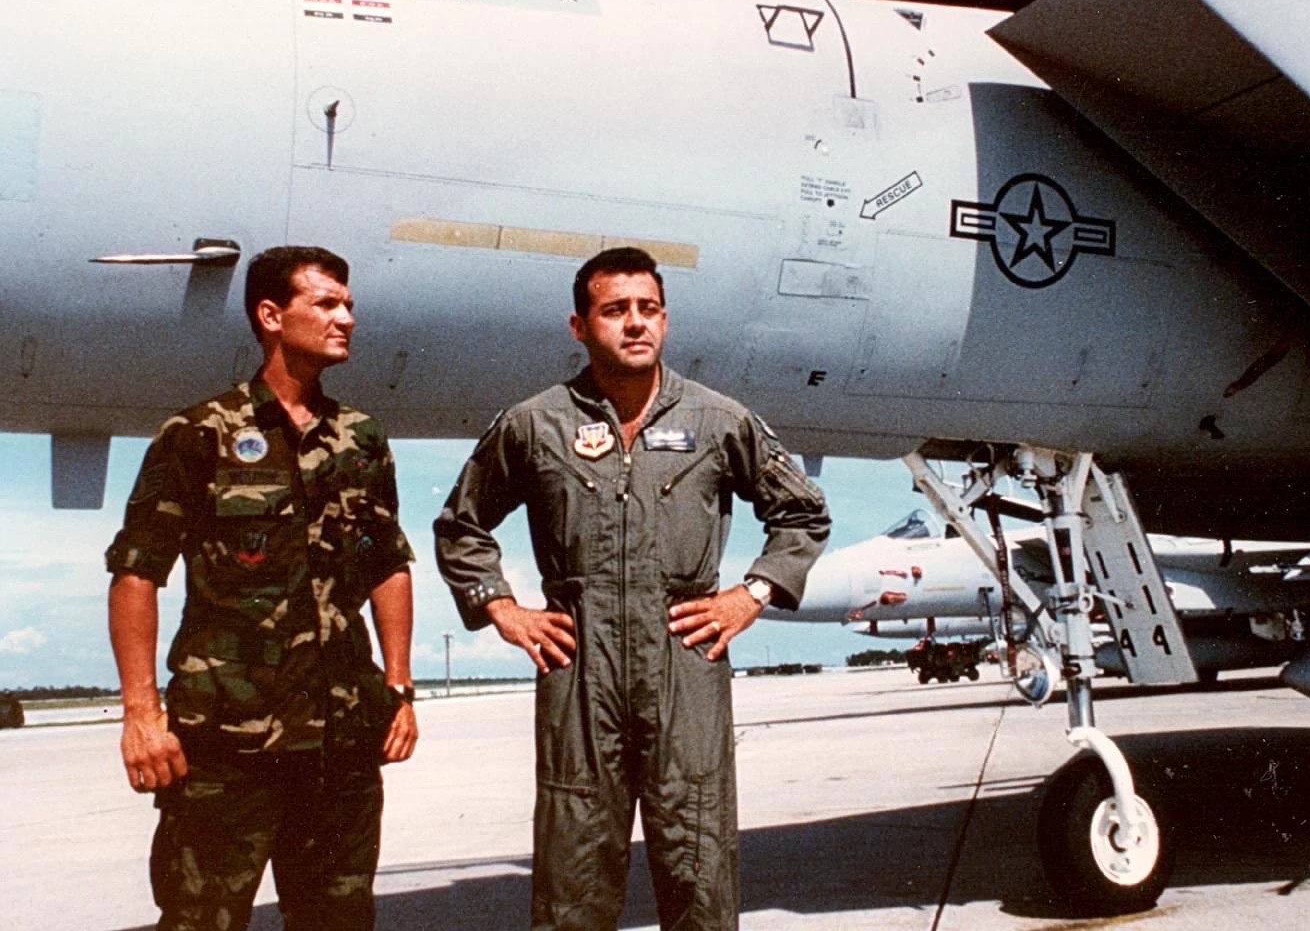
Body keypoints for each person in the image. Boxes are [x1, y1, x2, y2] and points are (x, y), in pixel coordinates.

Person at [435, 246, 830, 931]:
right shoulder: (534, 424)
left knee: (698, 864)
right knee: (573, 873)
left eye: (648, 308)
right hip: (578, 667)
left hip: (685, 660)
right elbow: (460, 525)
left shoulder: (717, 420)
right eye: (615, 310)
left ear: (666, 321)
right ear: (579, 326)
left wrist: (752, 594)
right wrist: (502, 608)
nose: (635, 322)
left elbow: (802, 513)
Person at [106, 245, 418, 931]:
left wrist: (399, 685)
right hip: (226, 744)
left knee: (339, 921)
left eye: (349, 305)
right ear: (272, 316)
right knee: (201, 920)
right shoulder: (199, 434)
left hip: (340, 741)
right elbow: (137, 572)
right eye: (327, 304)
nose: (346, 319)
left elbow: (387, 563)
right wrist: (141, 714)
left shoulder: (361, 439)